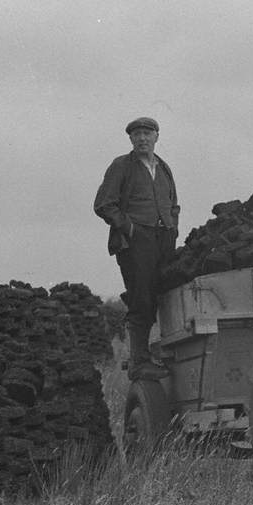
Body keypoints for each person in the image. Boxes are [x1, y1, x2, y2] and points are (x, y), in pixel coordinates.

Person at [94, 116, 180, 379]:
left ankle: (163, 350)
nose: (142, 138)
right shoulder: (122, 166)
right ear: (130, 139)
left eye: (147, 133)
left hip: (163, 237)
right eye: (137, 134)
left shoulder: (163, 168)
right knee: (141, 296)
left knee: (163, 292)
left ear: (157, 137)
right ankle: (140, 360)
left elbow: (173, 203)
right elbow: (104, 204)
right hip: (135, 240)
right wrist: (130, 229)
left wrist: (172, 228)